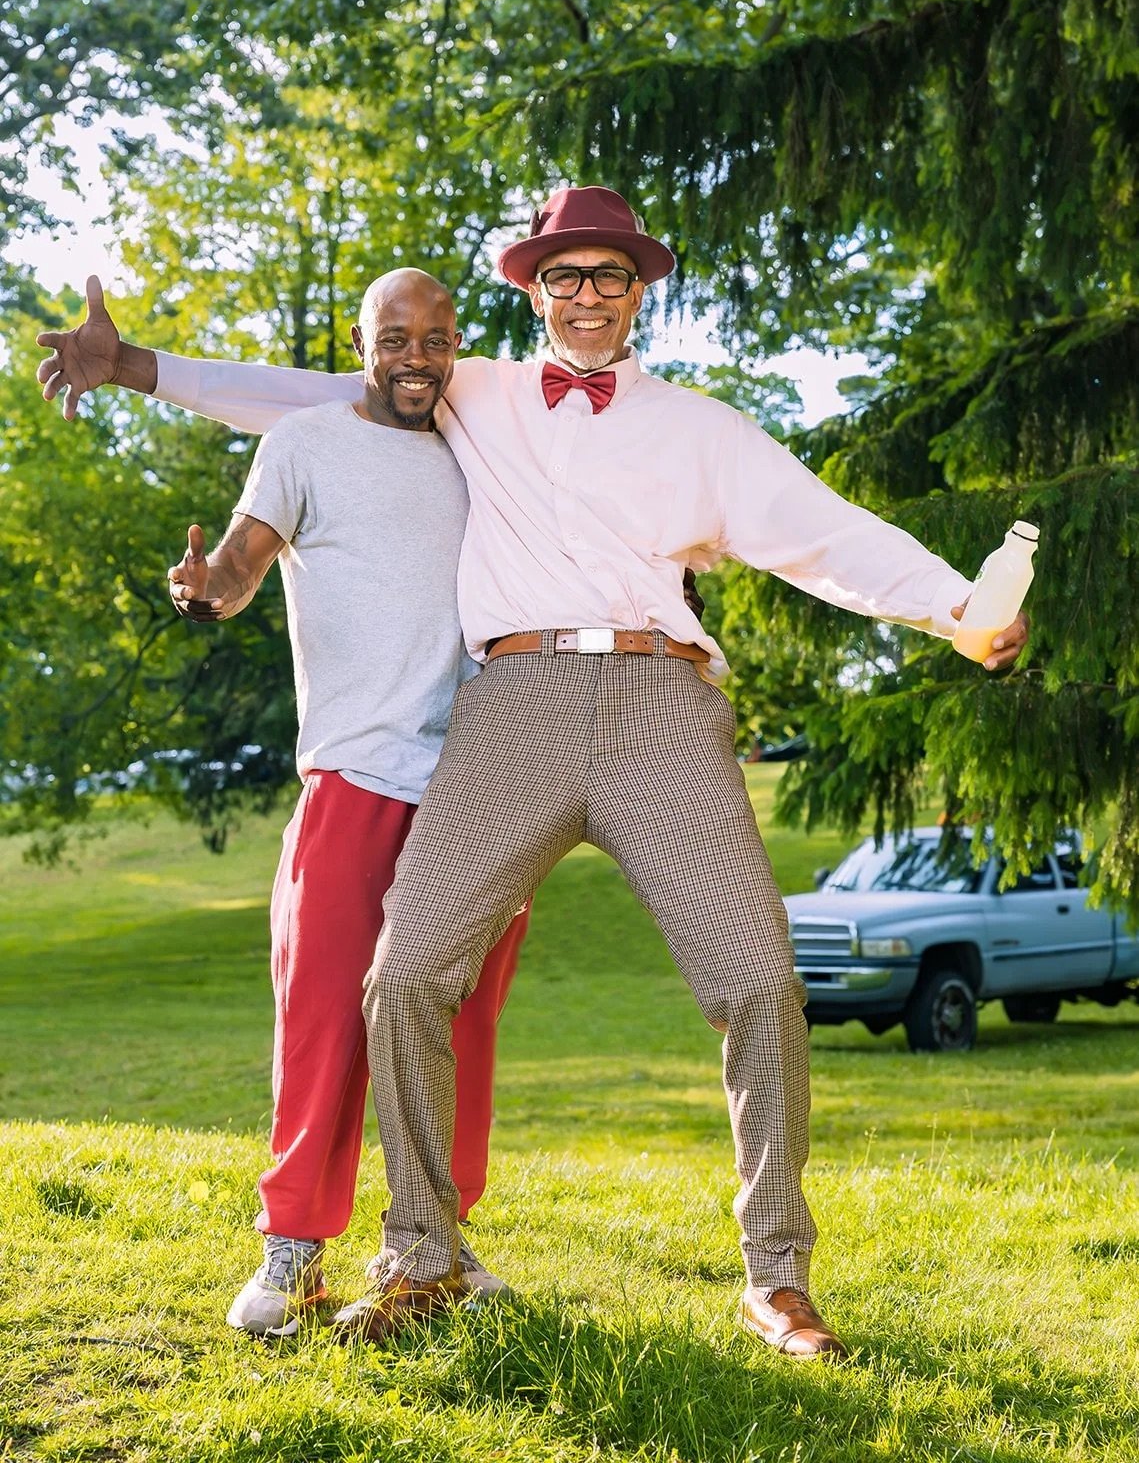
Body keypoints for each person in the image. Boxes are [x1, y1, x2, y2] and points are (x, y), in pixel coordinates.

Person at [37, 188, 1028, 1359]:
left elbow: (819, 528)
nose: (588, 296)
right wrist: (140, 366)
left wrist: (953, 610)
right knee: (402, 975)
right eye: (566, 276)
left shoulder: (699, 426)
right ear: (534, 291)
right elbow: (310, 398)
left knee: (759, 981)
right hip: (509, 702)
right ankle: (417, 1254)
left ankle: (775, 1273)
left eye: (610, 275)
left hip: (661, 699)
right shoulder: (473, 388)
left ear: (639, 290)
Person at [40, 269, 531, 1338]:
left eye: (436, 338)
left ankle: (436, 1240)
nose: (416, 356)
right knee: (322, 1020)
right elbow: (242, 563)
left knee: (462, 1021)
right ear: (357, 342)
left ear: (459, 344)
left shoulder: (487, 442)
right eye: (393, 337)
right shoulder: (305, 440)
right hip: (354, 771)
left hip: (479, 786)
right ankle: (294, 1249)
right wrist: (203, 586)